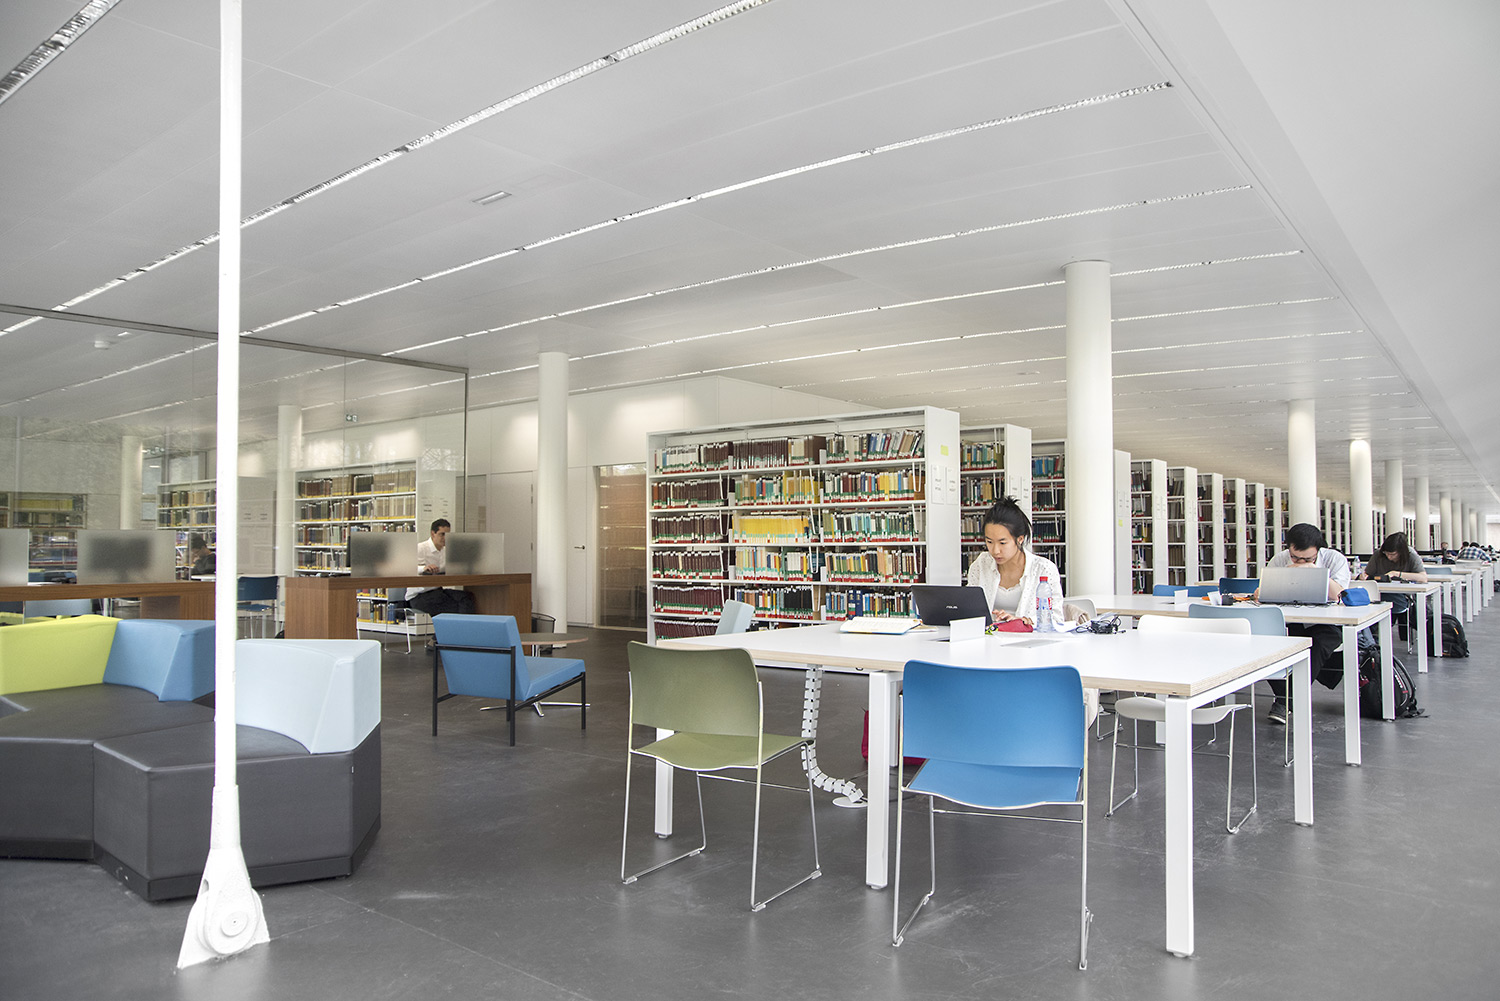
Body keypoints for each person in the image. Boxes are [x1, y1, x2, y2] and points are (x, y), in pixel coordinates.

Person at [1258, 522, 1350, 724]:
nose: (1300, 562)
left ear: (1319, 550)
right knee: (1264, 639)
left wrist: (1313, 569)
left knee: (1318, 643)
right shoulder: (1280, 559)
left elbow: (1338, 594)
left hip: (1327, 622)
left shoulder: (1335, 559)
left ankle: (1285, 700)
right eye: (1295, 557)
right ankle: (1288, 698)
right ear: (1288, 548)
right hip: (1290, 620)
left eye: (1307, 558)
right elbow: (1262, 593)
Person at [966, 497, 1067, 630]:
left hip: (1029, 640)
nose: (995, 550)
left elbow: (1057, 619)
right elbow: (969, 609)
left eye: (1002, 543)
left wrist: (1023, 622)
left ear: (1020, 539)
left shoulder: (1044, 569)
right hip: (990, 638)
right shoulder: (981, 564)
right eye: (989, 542)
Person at [408, 519, 478, 621]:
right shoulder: (421, 548)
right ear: (433, 534)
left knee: (467, 597)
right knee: (455, 607)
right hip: (419, 595)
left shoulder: (446, 551)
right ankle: (454, 629)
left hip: (437, 591)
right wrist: (423, 568)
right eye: (442, 534)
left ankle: (463, 628)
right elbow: (407, 568)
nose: (445, 538)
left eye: (447, 535)